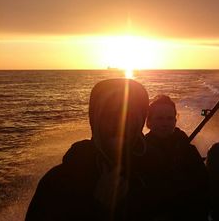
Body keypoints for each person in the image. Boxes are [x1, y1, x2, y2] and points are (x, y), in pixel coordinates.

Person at [26, 78, 151, 220]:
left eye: (128, 115)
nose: (118, 125)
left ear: (140, 122)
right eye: (110, 115)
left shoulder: (156, 173)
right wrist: (99, 208)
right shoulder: (58, 182)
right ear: (94, 121)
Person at [142, 94, 209, 221]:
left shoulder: (188, 151)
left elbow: (202, 187)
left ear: (175, 120)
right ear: (149, 122)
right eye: (160, 118)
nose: (165, 123)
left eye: (169, 118)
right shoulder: (140, 152)